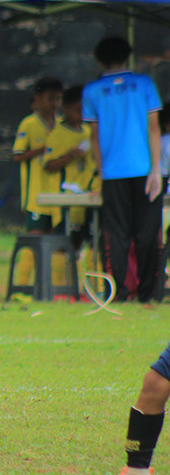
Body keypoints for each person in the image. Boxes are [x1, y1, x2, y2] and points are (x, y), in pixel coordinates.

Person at [82, 35, 162, 304]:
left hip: (113, 172)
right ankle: (148, 294)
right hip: (145, 170)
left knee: (117, 235)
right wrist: (155, 169)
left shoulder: (92, 91)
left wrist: (101, 171)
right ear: (128, 55)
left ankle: (117, 294)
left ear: (99, 59)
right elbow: (154, 128)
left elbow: (94, 136)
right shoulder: (144, 84)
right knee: (147, 234)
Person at [11, 77, 63, 285]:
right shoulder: (29, 123)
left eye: (59, 99)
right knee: (34, 238)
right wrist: (43, 149)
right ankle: (22, 285)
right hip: (36, 195)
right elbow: (17, 155)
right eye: (51, 99)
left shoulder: (62, 125)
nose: (55, 104)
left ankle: (56, 287)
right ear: (38, 99)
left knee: (57, 240)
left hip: (58, 194)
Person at [42, 85, 96, 283]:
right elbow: (49, 165)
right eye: (78, 110)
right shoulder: (58, 134)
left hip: (86, 197)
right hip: (65, 199)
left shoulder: (89, 131)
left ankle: (83, 288)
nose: (82, 115)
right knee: (64, 243)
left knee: (85, 241)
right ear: (65, 109)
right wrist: (71, 155)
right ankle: (58, 287)